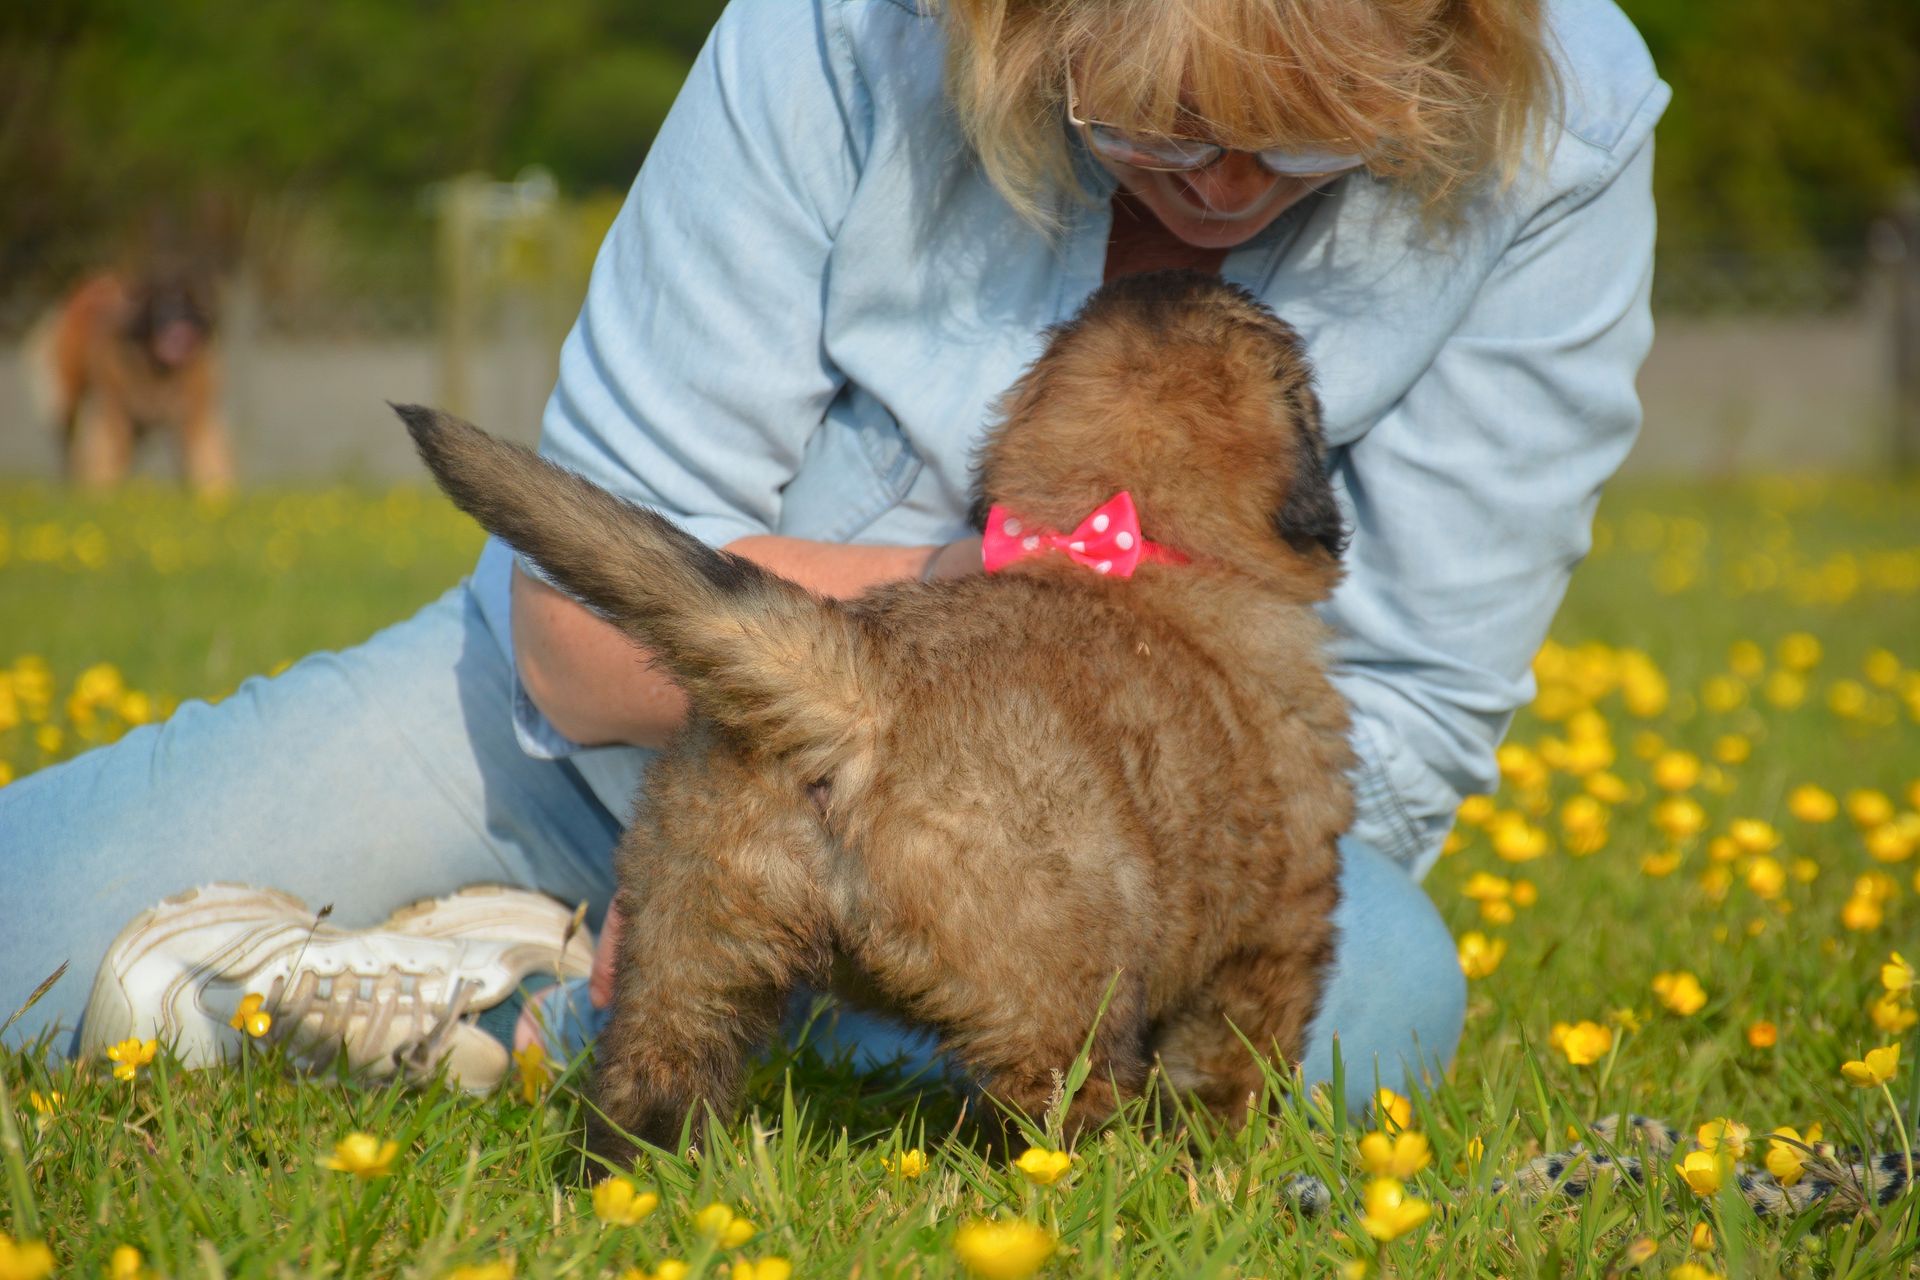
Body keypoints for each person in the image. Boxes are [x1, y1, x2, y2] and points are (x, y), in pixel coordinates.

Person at [0, 0, 1668, 1111]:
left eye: (1300, 144)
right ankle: (549, 985)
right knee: (31, 925)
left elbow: (1398, 740)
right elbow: (581, 637)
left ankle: (514, 1017)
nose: (1224, 183)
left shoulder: (1567, 133)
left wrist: (988, 884)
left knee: (1369, 1009)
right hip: (608, 735)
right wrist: (1008, 607)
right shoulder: (837, 28)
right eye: (1150, 130)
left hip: (1084, 885)